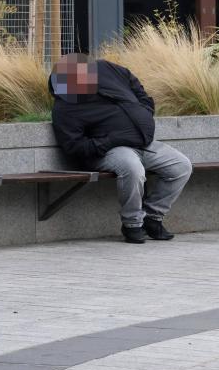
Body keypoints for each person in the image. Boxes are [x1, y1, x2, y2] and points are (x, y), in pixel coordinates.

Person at [49, 53, 192, 244]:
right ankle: (132, 224)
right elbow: (74, 146)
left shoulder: (107, 70)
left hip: (142, 141)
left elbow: (134, 84)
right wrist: (109, 141)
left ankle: (152, 218)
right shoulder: (65, 107)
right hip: (109, 150)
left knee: (181, 166)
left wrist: (145, 110)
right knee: (133, 168)